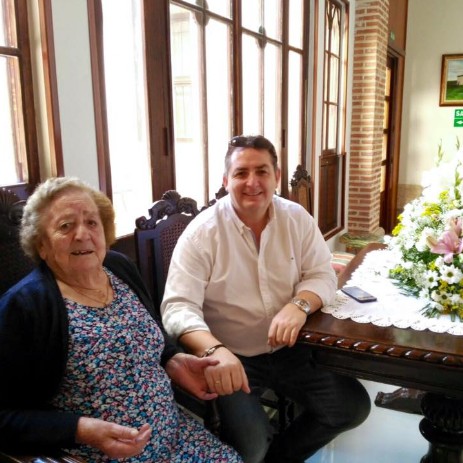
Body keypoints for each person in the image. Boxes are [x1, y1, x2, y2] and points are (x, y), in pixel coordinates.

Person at [0, 177, 242, 463]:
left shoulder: (118, 267)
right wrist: (81, 429)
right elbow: (5, 417)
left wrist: (174, 360)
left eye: (92, 223)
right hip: (94, 455)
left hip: (175, 435)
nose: (82, 234)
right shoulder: (24, 306)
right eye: (65, 226)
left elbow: (151, 334)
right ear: (41, 244)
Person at [161, 135, 371, 463]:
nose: (252, 182)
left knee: (352, 408)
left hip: (293, 349)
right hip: (232, 357)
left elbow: (322, 273)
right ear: (226, 180)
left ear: (276, 176)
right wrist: (215, 350)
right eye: (241, 173)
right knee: (252, 445)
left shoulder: (296, 218)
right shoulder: (202, 233)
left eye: (262, 171)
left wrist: (299, 305)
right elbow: (177, 307)